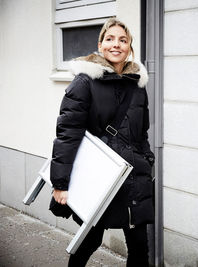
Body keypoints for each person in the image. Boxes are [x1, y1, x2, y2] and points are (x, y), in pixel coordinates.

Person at [50, 18, 154, 266]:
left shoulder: (137, 85)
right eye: (110, 39)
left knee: (140, 246)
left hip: (132, 178)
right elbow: (68, 133)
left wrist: (147, 160)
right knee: (90, 239)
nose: (116, 45)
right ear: (100, 44)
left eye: (123, 40)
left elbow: (142, 133)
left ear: (129, 47)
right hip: (99, 177)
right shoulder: (85, 82)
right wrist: (60, 183)